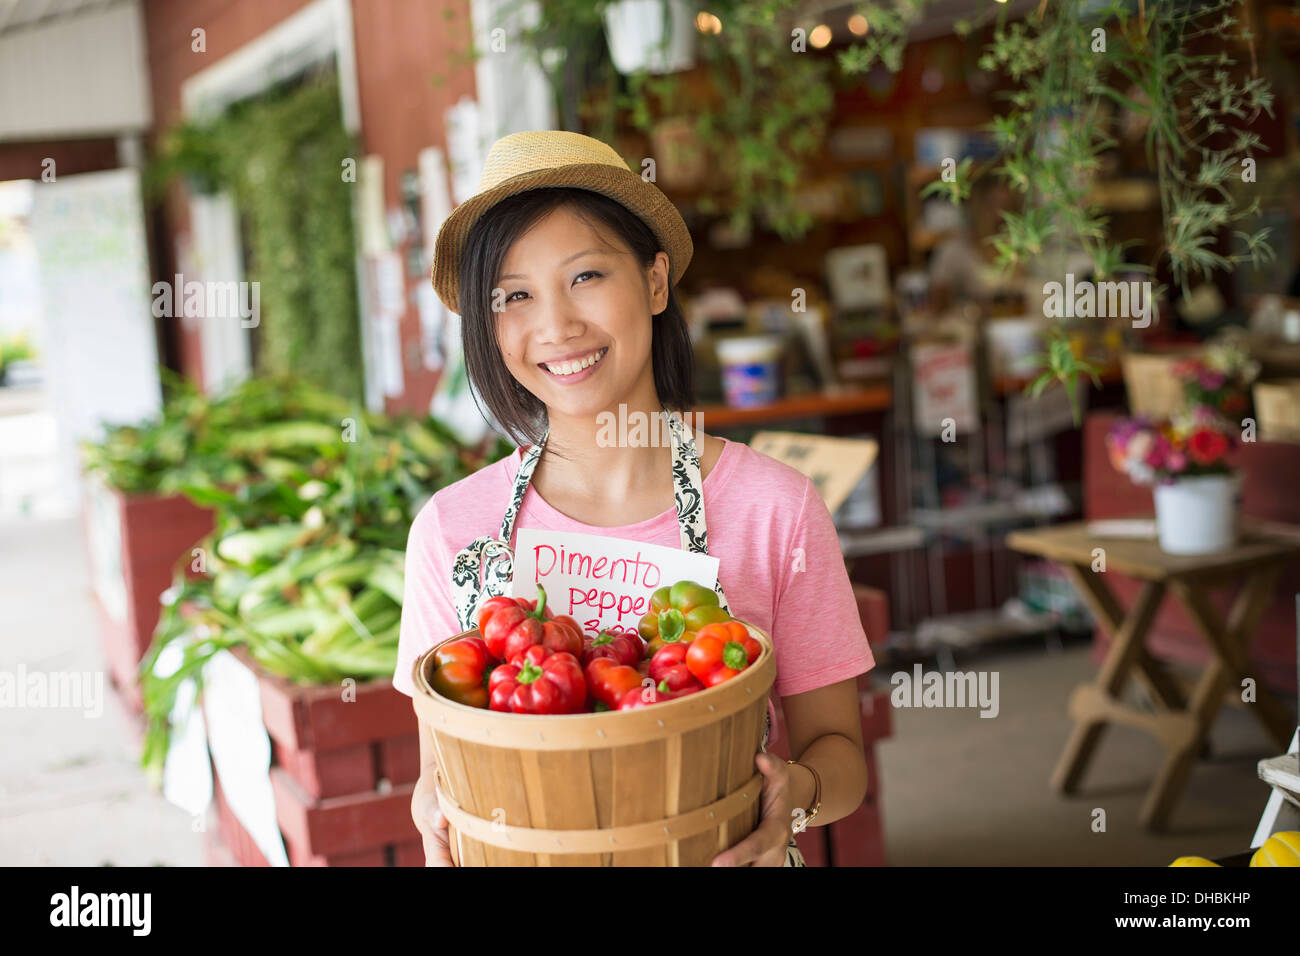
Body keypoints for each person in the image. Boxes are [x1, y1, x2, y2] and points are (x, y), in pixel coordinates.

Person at [393, 130, 875, 867]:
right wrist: (434, 805)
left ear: (655, 283)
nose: (557, 326)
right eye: (515, 296)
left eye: (585, 276)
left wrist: (793, 795)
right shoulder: (451, 530)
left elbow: (838, 760)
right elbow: (440, 771)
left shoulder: (775, 508)